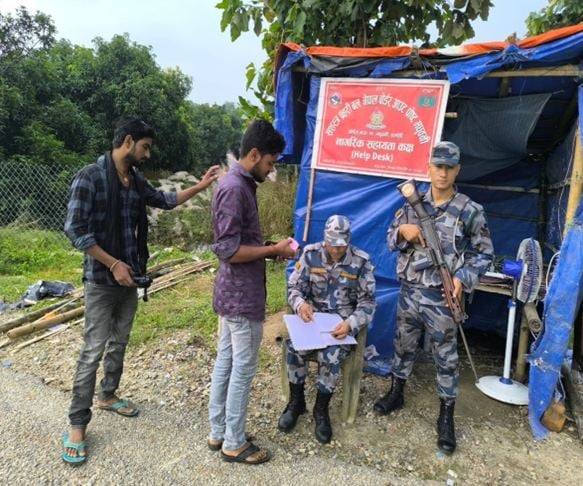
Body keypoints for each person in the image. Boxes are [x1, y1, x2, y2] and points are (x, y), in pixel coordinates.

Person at [62, 118, 220, 465]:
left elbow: (166, 200)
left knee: (119, 342)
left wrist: (202, 185)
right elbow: (74, 229)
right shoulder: (90, 177)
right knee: (92, 350)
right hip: (102, 283)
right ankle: (77, 423)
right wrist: (112, 263)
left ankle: (108, 395)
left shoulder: (134, 181)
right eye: (145, 147)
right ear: (128, 141)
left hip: (130, 280)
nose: (147, 155)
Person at [373, 141, 494, 455]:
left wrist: (462, 278)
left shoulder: (469, 210)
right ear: (428, 167)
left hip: (442, 298)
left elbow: (484, 256)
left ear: (457, 170)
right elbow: (389, 238)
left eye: (449, 167)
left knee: (446, 358)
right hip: (410, 293)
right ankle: (396, 392)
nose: (442, 173)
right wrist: (404, 232)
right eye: (437, 166)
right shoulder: (411, 204)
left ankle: (446, 416)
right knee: (402, 345)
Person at [208, 120, 295, 465]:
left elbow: (240, 243)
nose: (271, 170)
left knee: (226, 364)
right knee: (241, 369)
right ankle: (234, 442)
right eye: (270, 163)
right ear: (254, 154)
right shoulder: (234, 188)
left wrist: (270, 246)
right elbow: (228, 249)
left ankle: (219, 433)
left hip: (234, 294)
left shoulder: (241, 185)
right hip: (240, 298)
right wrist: (273, 251)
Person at [279, 215, 376, 444]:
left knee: (329, 355)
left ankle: (320, 410)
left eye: (341, 245)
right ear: (325, 239)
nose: (335, 249)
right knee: (294, 347)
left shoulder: (361, 262)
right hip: (311, 320)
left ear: (348, 241)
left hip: (339, 326)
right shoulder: (311, 254)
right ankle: (296, 402)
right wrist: (301, 305)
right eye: (332, 244)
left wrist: (350, 323)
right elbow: (294, 286)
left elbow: (368, 303)